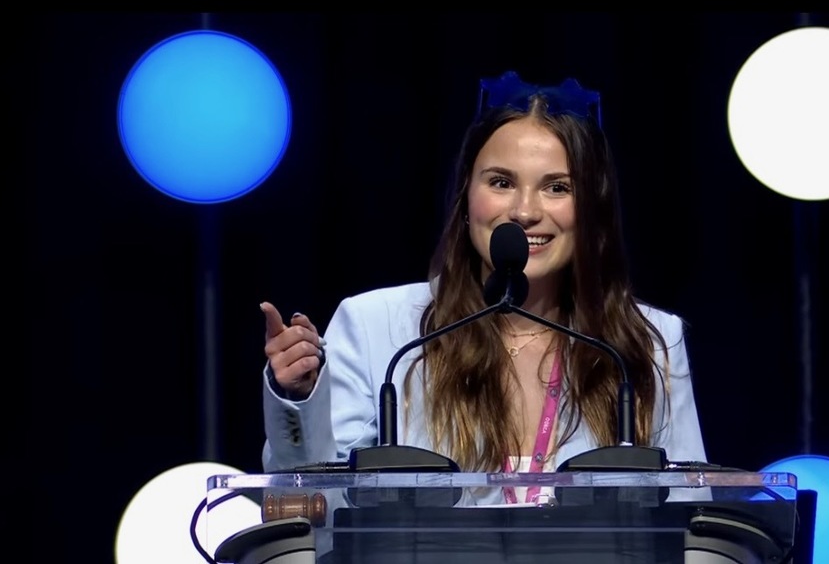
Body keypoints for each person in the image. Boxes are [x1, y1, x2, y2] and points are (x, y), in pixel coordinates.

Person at [259, 71, 707, 506]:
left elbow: (693, 516)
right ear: (466, 198)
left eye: (557, 187)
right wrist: (299, 400)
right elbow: (315, 506)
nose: (525, 211)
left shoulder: (649, 342)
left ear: (593, 207)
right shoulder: (377, 328)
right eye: (501, 182)